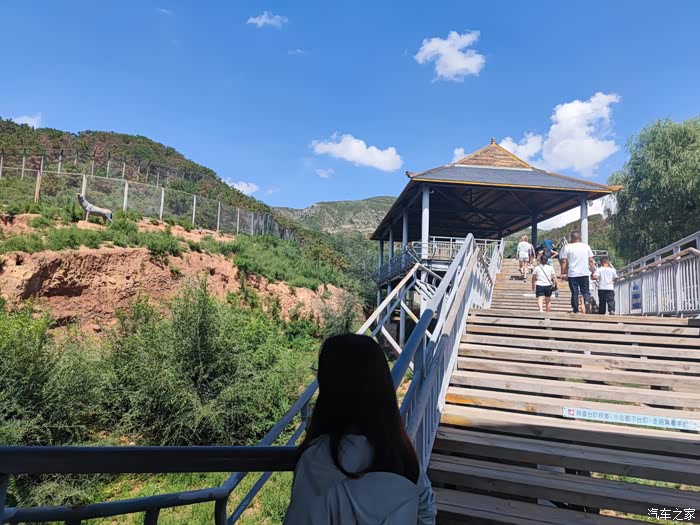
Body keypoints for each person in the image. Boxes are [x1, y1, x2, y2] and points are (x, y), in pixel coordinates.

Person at [284, 334, 436, 525]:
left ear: (330, 391)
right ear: (384, 389)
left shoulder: (316, 462)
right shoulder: (402, 457)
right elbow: (426, 511)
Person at [560, 231, 595, 314]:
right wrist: (593, 271)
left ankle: (575, 310)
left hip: (572, 274)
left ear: (571, 238)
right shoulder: (586, 247)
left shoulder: (567, 247)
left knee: (574, 292)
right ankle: (587, 301)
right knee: (585, 291)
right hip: (584, 273)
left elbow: (564, 261)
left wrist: (563, 272)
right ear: (579, 237)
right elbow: (590, 260)